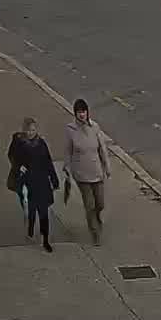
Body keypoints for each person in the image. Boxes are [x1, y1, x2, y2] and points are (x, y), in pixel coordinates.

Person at [7, 118, 60, 251]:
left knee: (44, 212)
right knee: (31, 210)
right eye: (28, 130)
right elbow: (11, 156)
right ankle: (30, 228)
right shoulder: (19, 143)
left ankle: (45, 239)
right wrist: (19, 166)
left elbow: (48, 162)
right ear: (24, 130)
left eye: (33, 130)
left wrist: (54, 179)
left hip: (41, 182)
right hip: (28, 182)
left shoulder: (41, 143)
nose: (31, 133)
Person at [63, 98, 111, 246]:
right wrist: (67, 168)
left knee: (100, 203)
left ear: (87, 112)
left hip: (96, 171)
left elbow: (102, 148)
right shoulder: (71, 130)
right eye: (79, 112)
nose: (82, 114)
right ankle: (95, 232)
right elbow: (68, 151)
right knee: (89, 205)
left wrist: (107, 166)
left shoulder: (95, 127)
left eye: (83, 111)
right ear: (75, 114)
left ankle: (97, 217)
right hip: (81, 173)